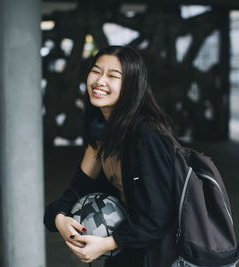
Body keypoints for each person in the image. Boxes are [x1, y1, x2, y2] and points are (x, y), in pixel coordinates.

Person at [44, 45, 178, 267]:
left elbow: (158, 215)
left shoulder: (147, 136)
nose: (100, 81)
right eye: (96, 71)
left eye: (113, 76)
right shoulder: (100, 131)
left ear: (131, 86)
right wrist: (59, 218)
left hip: (158, 255)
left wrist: (108, 244)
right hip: (127, 249)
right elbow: (77, 189)